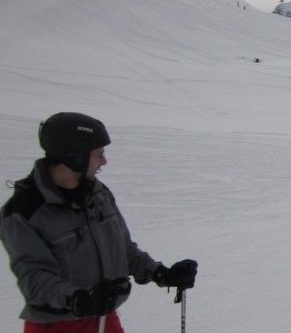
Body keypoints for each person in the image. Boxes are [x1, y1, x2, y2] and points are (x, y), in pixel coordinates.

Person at [1, 112, 198, 333]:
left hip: (104, 320)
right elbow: (34, 280)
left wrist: (160, 273)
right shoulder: (23, 212)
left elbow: (122, 249)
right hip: (57, 326)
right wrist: (80, 299)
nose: (104, 161)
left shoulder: (98, 194)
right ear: (74, 156)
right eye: (99, 154)